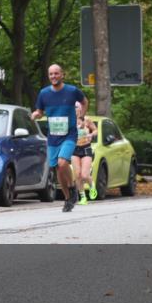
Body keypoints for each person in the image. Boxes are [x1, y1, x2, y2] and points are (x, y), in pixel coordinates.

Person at [32, 64, 88, 212]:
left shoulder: (72, 91)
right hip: (53, 136)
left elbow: (84, 102)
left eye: (56, 73)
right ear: (48, 76)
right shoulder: (44, 93)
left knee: (62, 163)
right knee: (58, 168)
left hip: (69, 134)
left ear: (62, 75)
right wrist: (36, 114)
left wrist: (81, 117)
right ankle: (68, 198)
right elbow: (40, 111)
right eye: (51, 74)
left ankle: (72, 188)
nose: (54, 76)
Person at [71, 101, 98, 204]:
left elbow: (95, 130)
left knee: (85, 175)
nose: (74, 109)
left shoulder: (86, 119)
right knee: (77, 175)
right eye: (72, 107)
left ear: (80, 108)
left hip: (86, 148)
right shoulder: (70, 121)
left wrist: (91, 135)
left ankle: (92, 186)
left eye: (76, 107)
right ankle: (83, 197)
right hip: (74, 149)